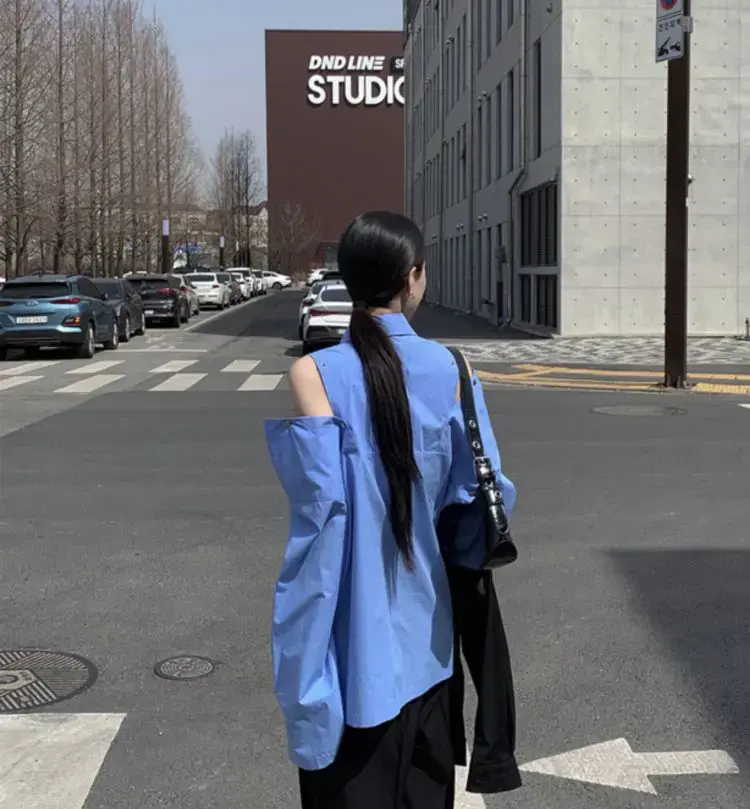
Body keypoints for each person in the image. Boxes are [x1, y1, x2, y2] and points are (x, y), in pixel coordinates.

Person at [264, 210, 516, 808]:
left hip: (347, 658)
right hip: (429, 649)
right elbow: (488, 496)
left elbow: (322, 523)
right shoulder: (453, 369)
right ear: (412, 278)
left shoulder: (312, 374)